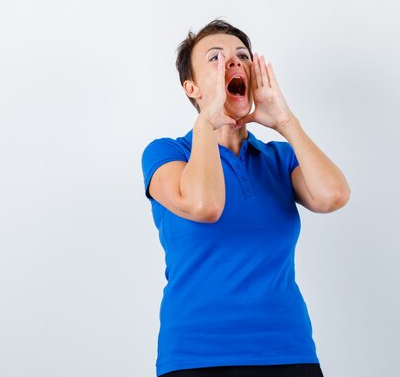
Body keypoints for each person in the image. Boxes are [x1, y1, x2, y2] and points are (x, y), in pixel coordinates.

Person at [141, 19, 350, 377]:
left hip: (288, 352)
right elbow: (204, 205)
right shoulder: (167, 155)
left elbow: (333, 196)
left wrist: (285, 121)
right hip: (196, 357)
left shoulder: (280, 159)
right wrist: (207, 123)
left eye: (242, 56)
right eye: (216, 58)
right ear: (191, 87)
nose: (234, 63)